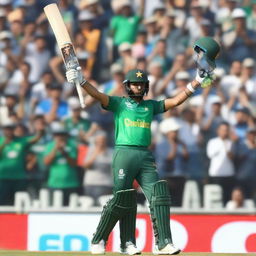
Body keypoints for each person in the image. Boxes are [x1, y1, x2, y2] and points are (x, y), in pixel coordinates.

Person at [66, 40, 217, 254]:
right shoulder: (119, 104)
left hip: (145, 155)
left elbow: (174, 101)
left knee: (159, 193)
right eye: (135, 84)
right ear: (128, 86)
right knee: (123, 198)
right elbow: (98, 95)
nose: (138, 87)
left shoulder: (150, 106)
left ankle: (163, 243)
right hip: (123, 153)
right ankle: (107, 239)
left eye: (141, 84)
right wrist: (81, 82)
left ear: (145, 87)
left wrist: (196, 82)